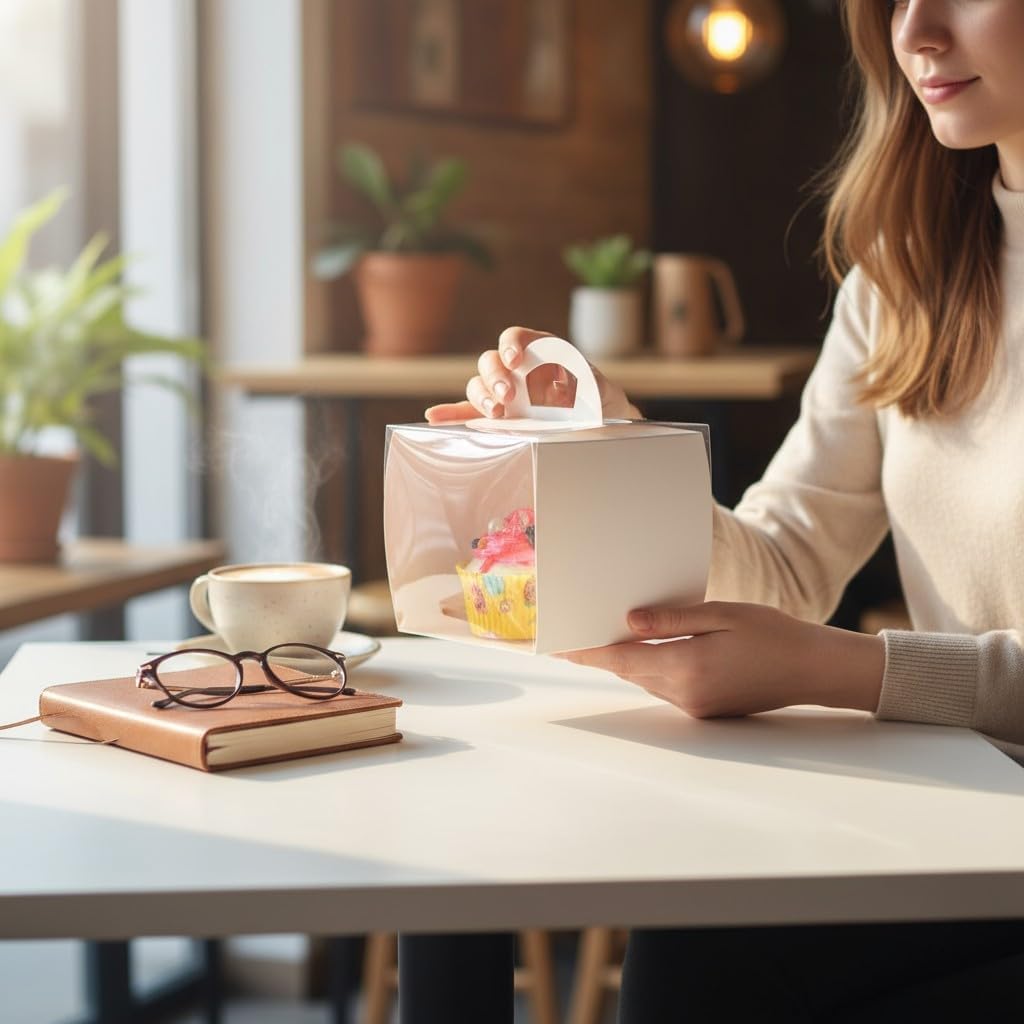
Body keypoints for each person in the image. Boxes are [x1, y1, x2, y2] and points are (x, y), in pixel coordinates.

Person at [407, 0, 1024, 1019]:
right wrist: (620, 454)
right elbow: (786, 562)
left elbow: (811, 636)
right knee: (693, 942)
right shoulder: (907, 269)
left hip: (984, 828)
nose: (914, 31)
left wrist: (841, 669)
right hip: (972, 810)